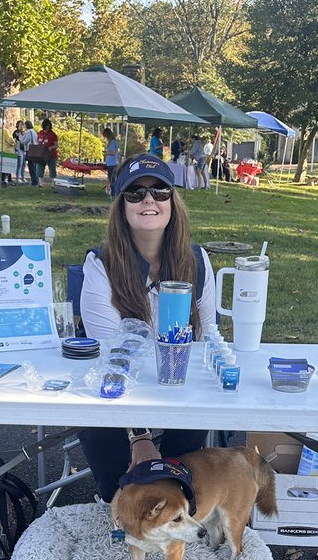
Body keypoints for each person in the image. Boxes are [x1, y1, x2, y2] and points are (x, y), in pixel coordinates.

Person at [79, 154, 216, 501]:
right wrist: (139, 436)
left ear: (173, 200)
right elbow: (111, 356)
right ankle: (117, 507)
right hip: (118, 386)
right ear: (121, 205)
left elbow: (207, 338)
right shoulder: (101, 264)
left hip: (177, 382)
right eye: (135, 194)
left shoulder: (196, 260)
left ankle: (174, 504)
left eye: (160, 191)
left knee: (191, 424)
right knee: (99, 428)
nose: (149, 200)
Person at [0, 120, 14, 186]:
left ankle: (2, 180)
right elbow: (9, 140)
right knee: (8, 166)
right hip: (6, 150)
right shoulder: (5, 131)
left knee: (2, 166)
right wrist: (14, 142)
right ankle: (9, 180)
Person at [21, 120, 40, 185]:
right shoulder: (34, 132)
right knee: (34, 166)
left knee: (31, 166)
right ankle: (36, 180)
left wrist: (20, 138)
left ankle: (34, 181)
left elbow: (25, 141)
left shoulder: (28, 132)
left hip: (30, 150)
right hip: (35, 149)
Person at [102, 126, 119, 194]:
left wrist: (106, 153)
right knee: (111, 179)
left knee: (112, 180)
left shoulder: (112, 142)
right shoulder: (111, 142)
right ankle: (112, 193)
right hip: (110, 163)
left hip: (112, 163)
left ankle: (113, 194)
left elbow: (113, 152)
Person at [12, 119, 27, 184]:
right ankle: (18, 178)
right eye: (20, 125)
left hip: (24, 149)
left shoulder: (23, 132)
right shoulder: (16, 132)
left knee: (24, 164)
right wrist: (15, 150)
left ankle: (23, 177)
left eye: (22, 125)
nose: (21, 126)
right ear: (17, 125)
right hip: (19, 149)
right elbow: (15, 141)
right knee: (19, 164)